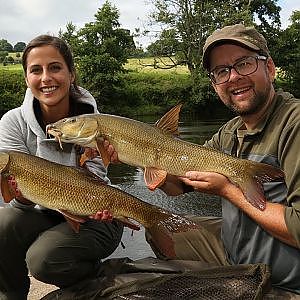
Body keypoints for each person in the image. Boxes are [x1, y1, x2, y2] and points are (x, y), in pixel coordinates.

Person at [107, 24, 300, 296]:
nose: (233, 77)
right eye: (221, 71)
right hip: (237, 255)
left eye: (243, 64)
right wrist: (141, 157)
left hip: (285, 280)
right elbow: (178, 187)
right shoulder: (229, 133)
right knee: (162, 226)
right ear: (214, 84)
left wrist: (227, 190)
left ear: (269, 67)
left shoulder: (294, 123)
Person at [0, 35, 123, 300]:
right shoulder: (12, 123)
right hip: (41, 207)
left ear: (71, 74)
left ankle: (93, 276)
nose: (46, 78)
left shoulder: (97, 124)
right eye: (36, 70)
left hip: (96, 210)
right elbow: (18, 200)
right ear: (26, 78)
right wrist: (20, 193)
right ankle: (10, 295)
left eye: (55, 67)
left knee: (42, 259)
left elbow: (95, 180)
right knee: (3, 222)